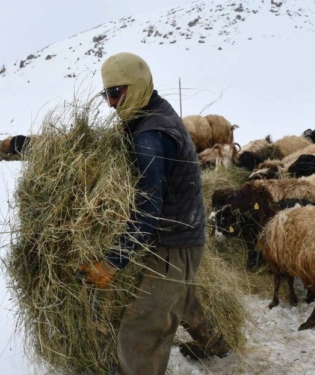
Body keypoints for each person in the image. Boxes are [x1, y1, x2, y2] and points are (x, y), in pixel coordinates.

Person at [78, 52, 230, 374]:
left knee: (141, 332)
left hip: (175, 241)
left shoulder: (150, 136)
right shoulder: (156, 111)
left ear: (135, 86)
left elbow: (148, 210)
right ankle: (215, 345)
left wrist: (111, 263)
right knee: (181, 298)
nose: (111, 104)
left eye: (116, 93)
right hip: (186, 230)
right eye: (106, 95)